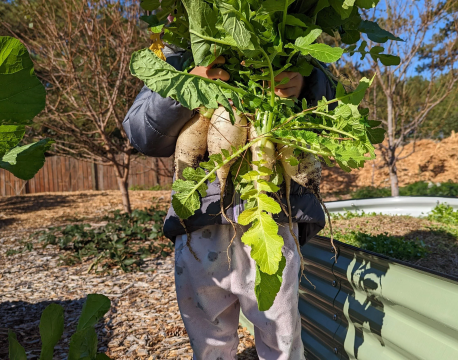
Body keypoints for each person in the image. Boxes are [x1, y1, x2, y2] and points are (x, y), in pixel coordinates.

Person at [123, 43, 335, 360]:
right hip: (199, 221)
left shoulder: (293, 48)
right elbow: (141, 133)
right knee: (208, 343)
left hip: (271, 222)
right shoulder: (173, 59)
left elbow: (329, 120)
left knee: (282, 339)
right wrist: (184, 88)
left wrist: (304, 86)